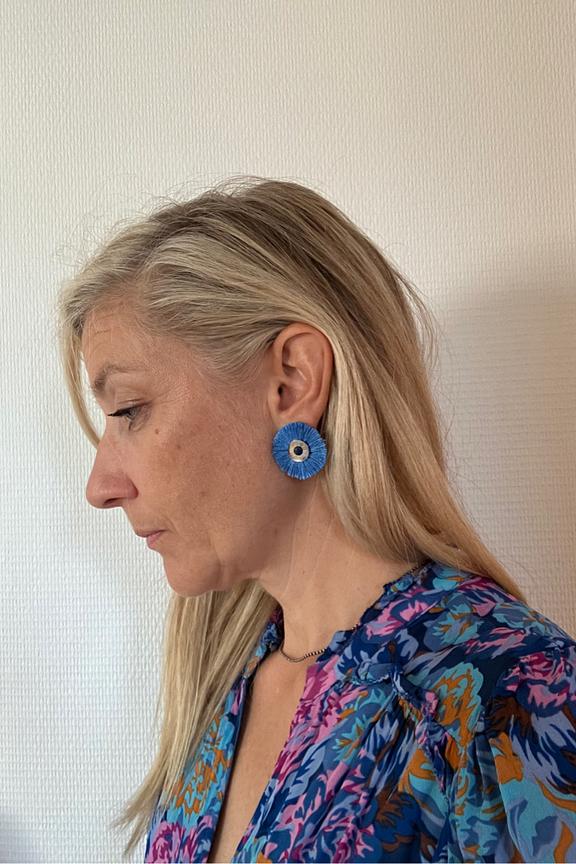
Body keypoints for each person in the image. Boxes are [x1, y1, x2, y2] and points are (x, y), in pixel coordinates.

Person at [55, 175, 576, 863]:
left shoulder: (513, 701)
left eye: (128, 410)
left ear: (293, 381)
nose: (100, 487)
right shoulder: (222, 684)